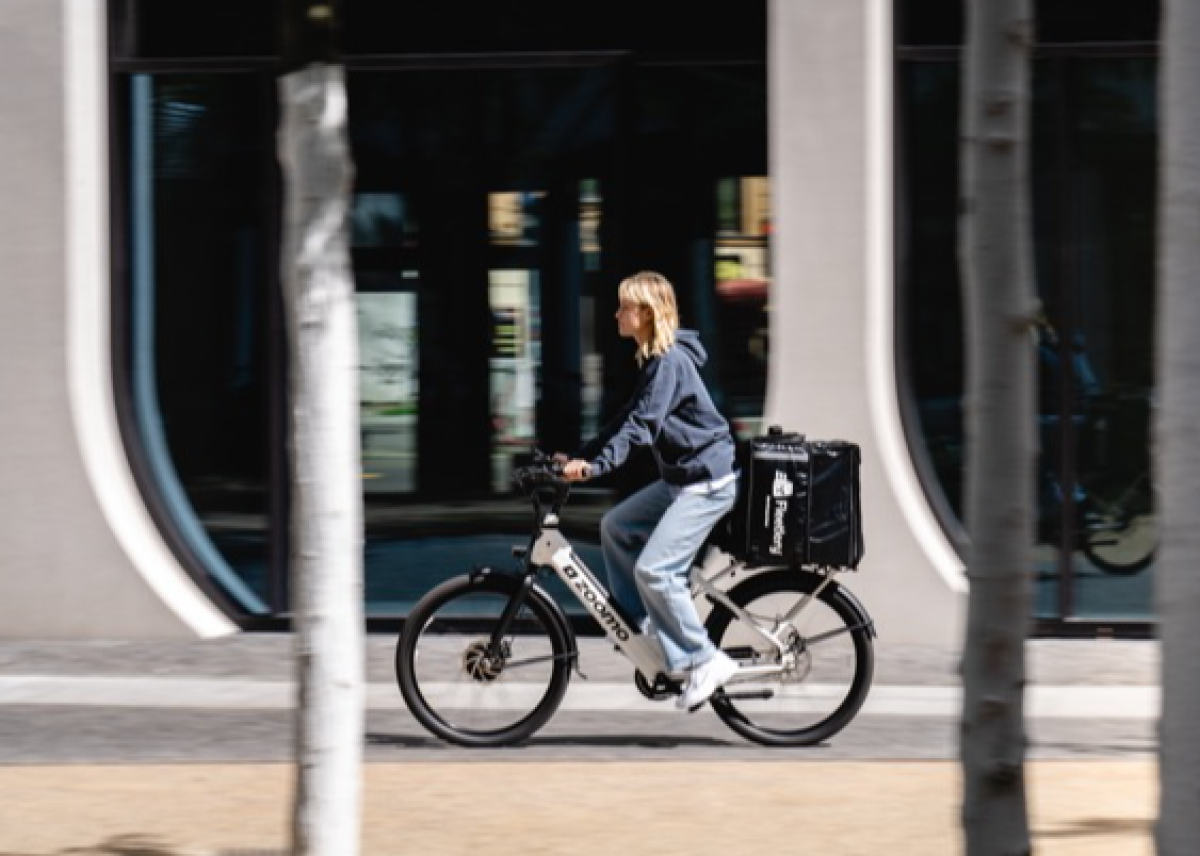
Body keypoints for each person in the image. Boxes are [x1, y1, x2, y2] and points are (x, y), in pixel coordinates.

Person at [558, 271, 740, 711]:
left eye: (624, 306)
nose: (617, 313)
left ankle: (704, 658)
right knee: (617, 526)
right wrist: (580, 455)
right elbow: (626, 416)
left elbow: (641, 429)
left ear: (645, 313)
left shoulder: (671, 362)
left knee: (656, 571)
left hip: (708, 483)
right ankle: (643, 628)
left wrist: (596, 467)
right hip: (683, 478)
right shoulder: (655, 359)